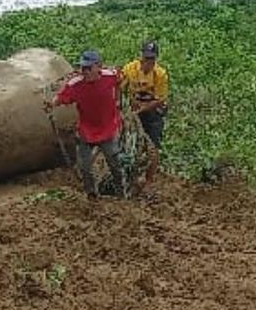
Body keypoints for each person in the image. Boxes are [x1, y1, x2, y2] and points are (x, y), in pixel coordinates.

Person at [47, 50, 125, 199]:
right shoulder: (75, 84)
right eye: (83, 68)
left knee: (114, 164)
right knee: (84, 166)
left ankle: (121, 192)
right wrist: (51, 104)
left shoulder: (110, 75)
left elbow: (120, 79)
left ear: (98, 66)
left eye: (89, 68)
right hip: (86, 130)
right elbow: (61, 97)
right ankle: (91, 194)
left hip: (107, 128)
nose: (85, 71)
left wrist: (117, 101)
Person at [120, 40, 169, 190]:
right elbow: (119, 85)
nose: (148, 62)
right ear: (141, 56)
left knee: (153, 146)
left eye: (152, 59)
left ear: (156, 59)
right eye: (146, 58)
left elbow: (160, 99)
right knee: (128, 142)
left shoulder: (160, 74)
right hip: (135, 109)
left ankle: (149, 180)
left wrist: (143, 108)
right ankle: (128, 174)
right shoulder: (130, 69)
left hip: (153, 111)